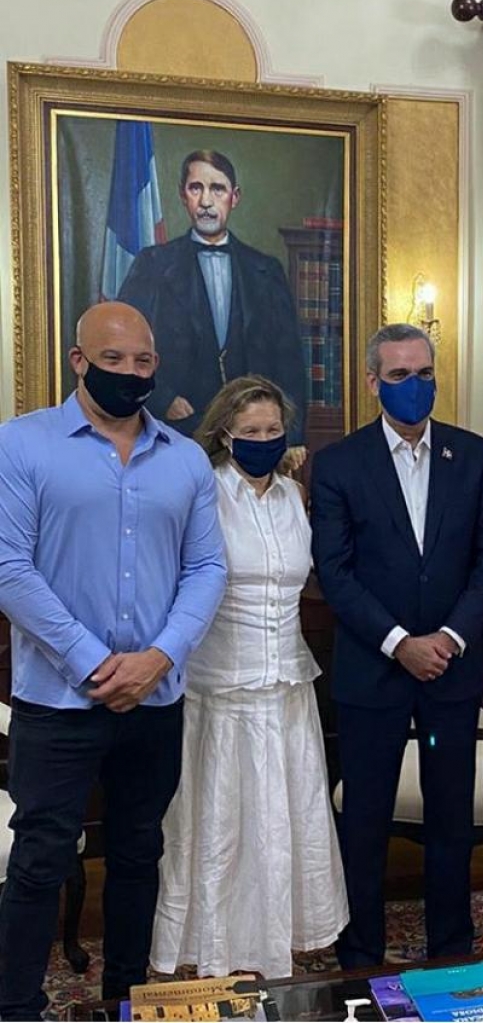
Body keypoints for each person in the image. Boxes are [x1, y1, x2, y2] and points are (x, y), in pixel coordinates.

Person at [0, 301, 227, 1021]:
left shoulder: (185, 459)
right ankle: (15, 1005)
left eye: (143, 361)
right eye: (113, 359)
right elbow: (9, 567)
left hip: (154, 700)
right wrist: (96, 663)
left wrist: (159, 656)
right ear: (79, 361)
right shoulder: (21, 444)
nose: (130, 372)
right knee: (40, 858)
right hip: (57, 702)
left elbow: (207, 568)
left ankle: (123, 1003)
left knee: (138, 854)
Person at [311, 323, 483, 968]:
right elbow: (335, 572)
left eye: (424, 373)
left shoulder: (474, 456)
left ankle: (450, 947)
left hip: (450, 672)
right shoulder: (339, 464)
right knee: (364, 820)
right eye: (399, 375)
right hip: (373, 672)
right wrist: (400, 644)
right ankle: (361, 952)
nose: (414, 386)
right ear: (374, 382)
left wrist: (448, 638)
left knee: (451, 818)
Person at [151, 375, 347, 978]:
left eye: (272, 430)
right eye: (250, 431)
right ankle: (214, 949)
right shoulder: (203, 492)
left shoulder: (292, 496)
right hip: (222, 688)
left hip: (287, 683)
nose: (263, 440)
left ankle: (282, 940)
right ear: (225, 435)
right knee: (222, 825)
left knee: (285, 820)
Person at [118, 149, 307, 442]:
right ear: (183, 196)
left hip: (252, 436)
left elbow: (289, 359)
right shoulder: (152, 264)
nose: (206, 201)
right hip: (175, 433)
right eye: (196, 188)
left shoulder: (266, 270)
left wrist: (293, 438)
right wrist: (163, 399)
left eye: (217, 189)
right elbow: (122, 347)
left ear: (235, 197)